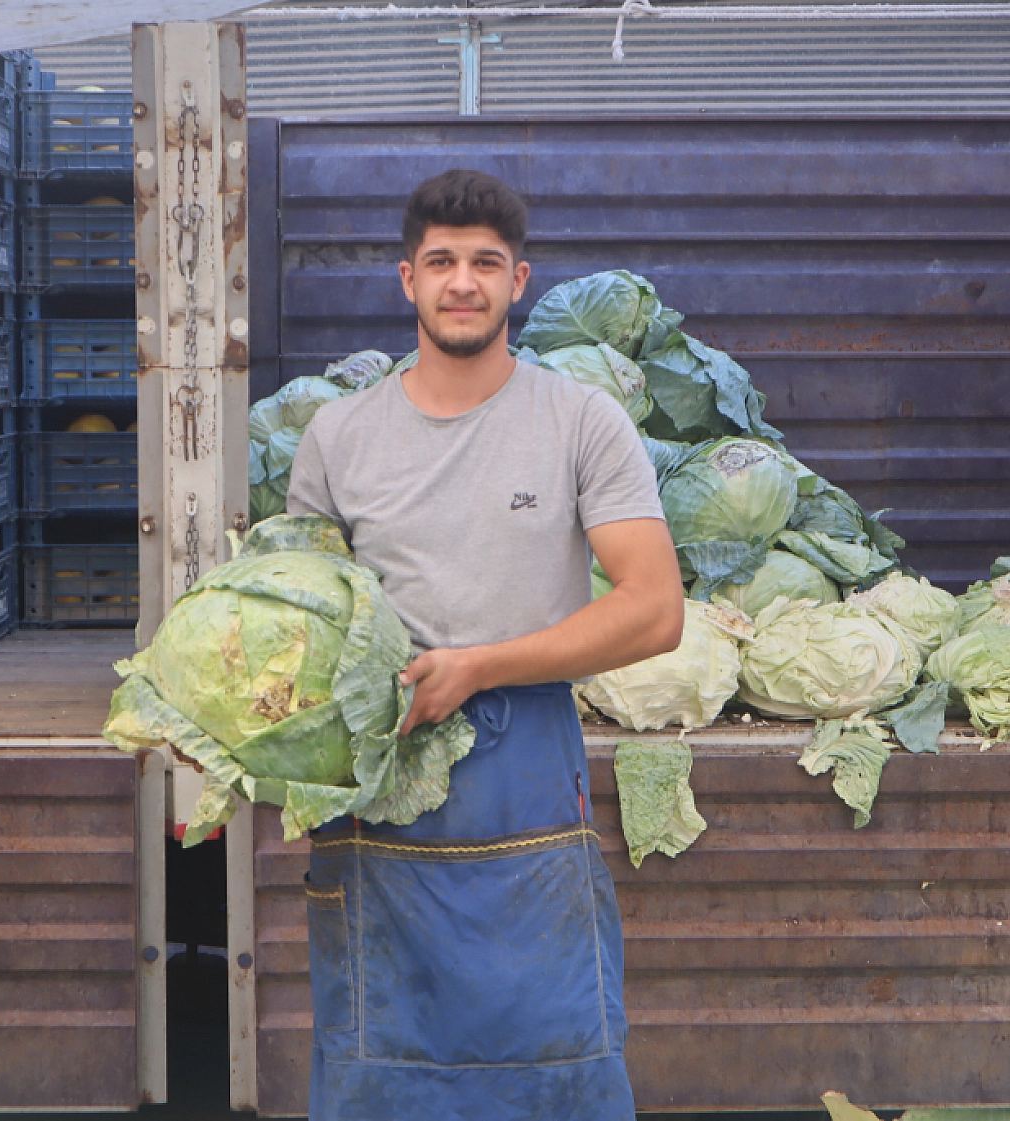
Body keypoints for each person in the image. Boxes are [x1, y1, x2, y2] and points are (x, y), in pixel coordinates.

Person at [286, 168, 683, 1121]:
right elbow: (299, 628)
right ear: (406, 281)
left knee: (556, 1070)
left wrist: (480, 666)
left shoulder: (580, 420)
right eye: (442, 262)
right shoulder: (338, 439)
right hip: (378, 791)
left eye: (485, 264)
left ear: (519, 281)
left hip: (530, 776)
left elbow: (655, 608)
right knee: (378, 1074)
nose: (462, 282)